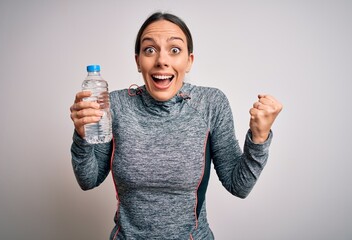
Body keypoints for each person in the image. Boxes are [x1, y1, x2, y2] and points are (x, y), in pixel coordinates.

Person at [70, 11, 282, 240]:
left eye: (174, 50)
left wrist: (259, 138)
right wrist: (82, 137)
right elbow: (88, 180)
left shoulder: (210, 103)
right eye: (150, 50)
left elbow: (238, 185)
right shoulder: (116, 105)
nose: (162, 60)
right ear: (138, 61)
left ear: (189, 61)